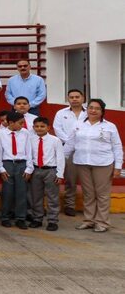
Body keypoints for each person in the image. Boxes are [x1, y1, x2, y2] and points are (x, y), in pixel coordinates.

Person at [64, 99, 123, 233]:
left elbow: (117, 147)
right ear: (87, 109)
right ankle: (89, 220)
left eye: (97, 108)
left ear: (102, 111)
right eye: (90, 107)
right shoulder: (78, 124)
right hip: (82, 162)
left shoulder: (109, 126)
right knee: (88, 193)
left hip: (103, 163)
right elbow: (70, 144)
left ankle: (102, 222)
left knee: (102, 194)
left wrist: (118, 167)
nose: (93, 110)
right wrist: (61, 160)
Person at [0, 111, 34, 229]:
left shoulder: (25, 133)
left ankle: (20, 218)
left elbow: (29, 150)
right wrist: (0, 168)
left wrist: (29, 168)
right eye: (20, 123)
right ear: (11, 122)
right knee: (7, 192)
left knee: (22, 192)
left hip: (22, 163)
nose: (22, 125)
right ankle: (5, 216)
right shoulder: (0, 134)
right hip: (7, 163)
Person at [53, 89, 87, 217]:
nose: (74, 99)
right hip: (68, 149)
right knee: (70, 180)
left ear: (83, 98)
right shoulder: (61, 113)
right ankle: (69, 205)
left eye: (77, 97)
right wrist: (70, 142)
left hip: (86, 150)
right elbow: (57, 129)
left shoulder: (89, 113)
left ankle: (89, 207)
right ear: (68, 99)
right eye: (71, 97)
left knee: (87, 181)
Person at [27, 117, 65, 231]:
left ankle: (52, 220)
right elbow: (29, 155)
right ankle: (37, 218)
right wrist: (29, 170)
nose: (39, 128)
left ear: (48, 127)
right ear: (33, 128)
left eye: (42, 126)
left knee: (52, 196)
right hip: (35, 170)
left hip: (51, 170)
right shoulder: (30, 139)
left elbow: (60, 157)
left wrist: (60, 174)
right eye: (37, 126)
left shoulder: (55, 140)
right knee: (36, 196)